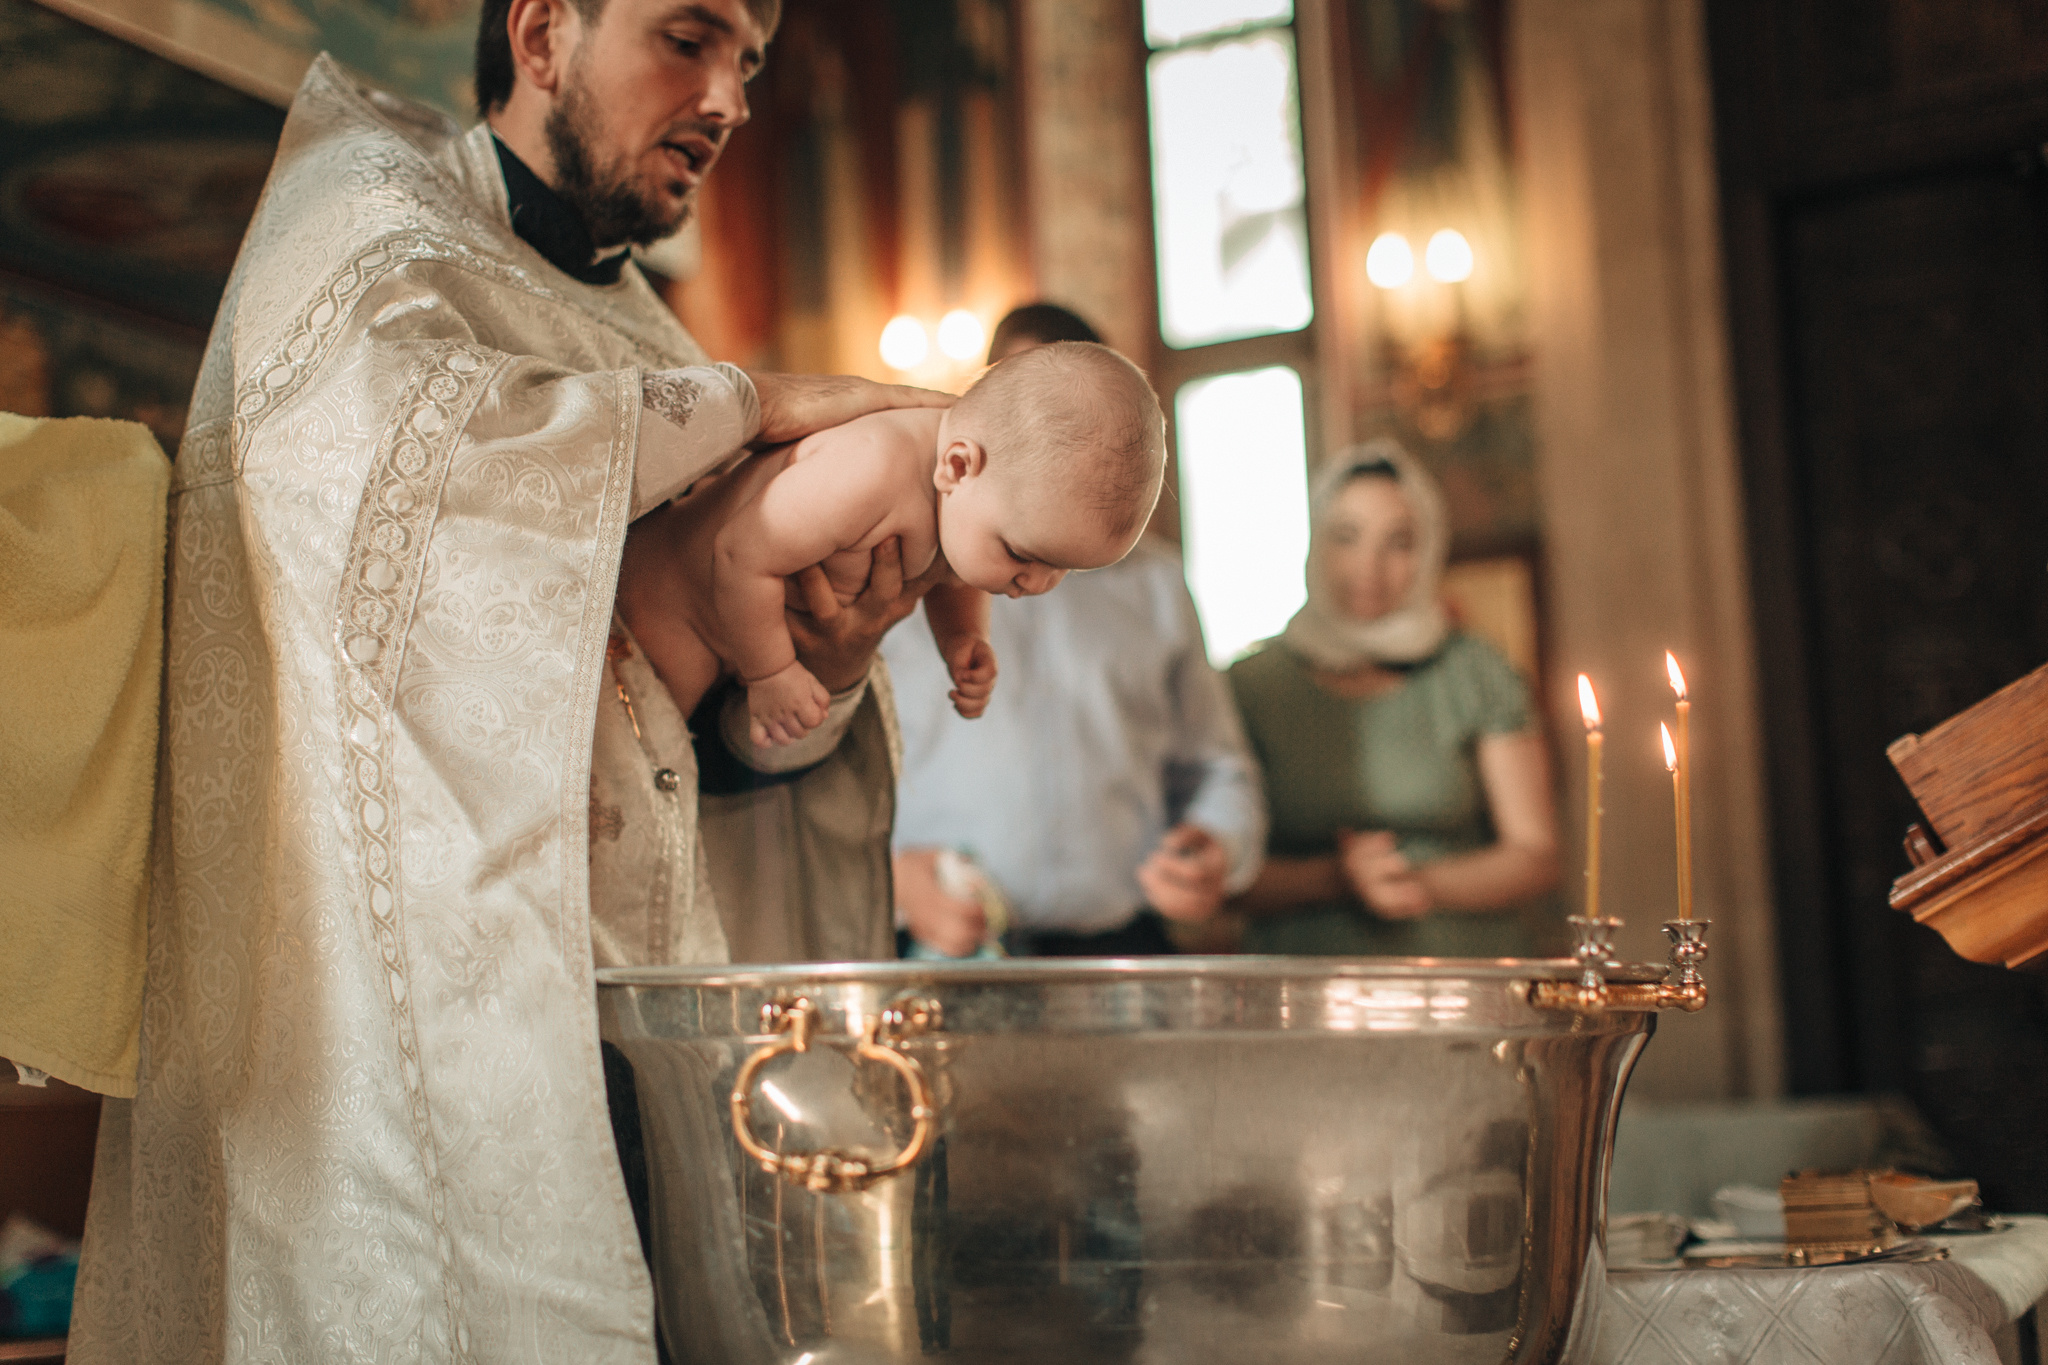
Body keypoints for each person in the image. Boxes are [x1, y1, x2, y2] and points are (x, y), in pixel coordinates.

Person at [68, 2, 949, 1360]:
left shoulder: (652, 340)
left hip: (637, 1048)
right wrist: (752, 404)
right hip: (398, 1042)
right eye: (689, 38)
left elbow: (685, 735)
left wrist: (817, 679)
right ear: (544, 35)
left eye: (751, 62)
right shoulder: (364, 217)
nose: (731, 97)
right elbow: (390, 493)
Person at [884, 304, 1266, 958]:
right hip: (939, 953)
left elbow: (1218, 765)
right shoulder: (891, 563)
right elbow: (819, 766)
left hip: (1123, 950)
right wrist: (890, 880)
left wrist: (1216, 843)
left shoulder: (1156, 585)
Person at [623, 341, 1166, 747]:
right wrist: (771, 673)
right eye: (1023, 556)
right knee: (649, 754)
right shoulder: (873, 469)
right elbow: (740, 552)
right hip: (673, 605)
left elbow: (952, 572)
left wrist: (962, 637)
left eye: (1062, 568)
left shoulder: (971, 506)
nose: (1038, 585)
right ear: (958, 465)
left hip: (736, 630)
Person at [1226, 441, 1561, 956]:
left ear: (1429, 550)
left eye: (1398, 542)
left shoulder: (1477, 672)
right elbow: (1223, 877)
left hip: (1462, 979)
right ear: (1314, 542)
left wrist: (1414, 881)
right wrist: (1338, 879)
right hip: (1301, 992)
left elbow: (1534, 853)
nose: (1369, 565)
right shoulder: (1250, 686)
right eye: (1347, 537)